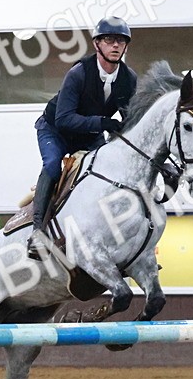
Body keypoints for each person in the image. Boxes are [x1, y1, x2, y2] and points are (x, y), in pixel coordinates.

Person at [30, 16, 137, 256]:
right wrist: (103, 122)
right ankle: (37, 233)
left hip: (89, 136)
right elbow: (64, 118)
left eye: (121, 41)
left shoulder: (128, 79)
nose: (116, 45)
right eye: (109, 40)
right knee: (53, 166)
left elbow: (129, 118)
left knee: (106, 174)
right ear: (97, 44)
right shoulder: (78, 73)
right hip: (56, 131)